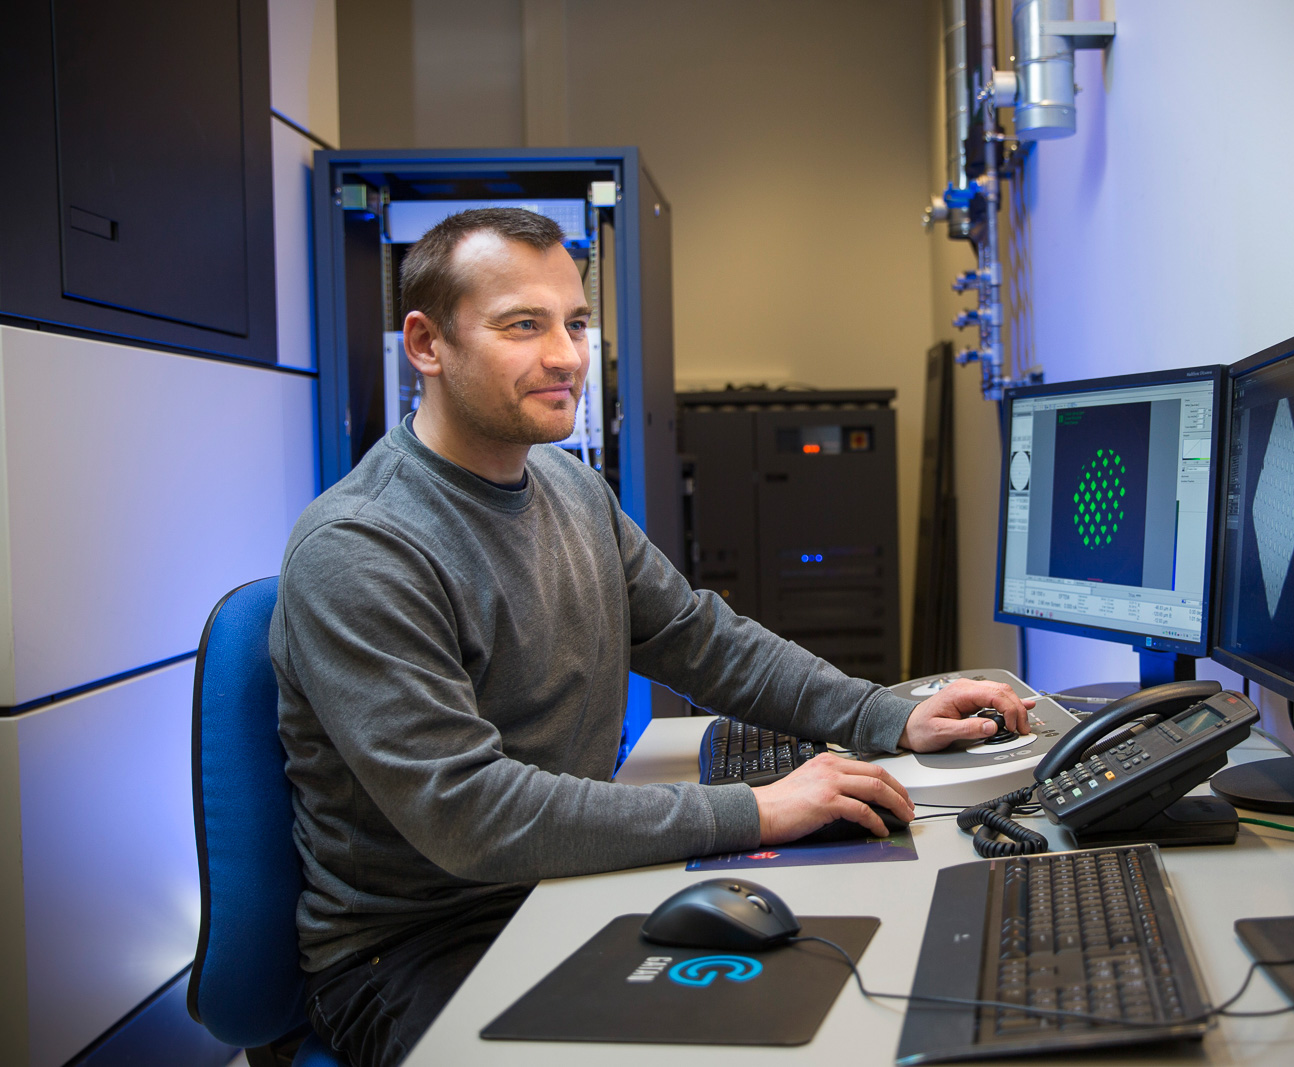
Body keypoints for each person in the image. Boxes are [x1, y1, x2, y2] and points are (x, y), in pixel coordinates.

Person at [270, 207, 1032, 1067]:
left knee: (822, 1010)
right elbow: (470, 815)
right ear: (425, 343)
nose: (565, 355)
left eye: (577, 322)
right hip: (415, 942)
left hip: (562, 878)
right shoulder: (362, 549)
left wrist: (884, 715)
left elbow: (697, 635)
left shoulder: (569, 488)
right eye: (523, 325)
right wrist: (756, 809)